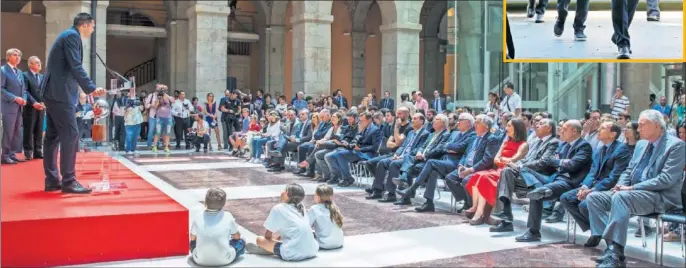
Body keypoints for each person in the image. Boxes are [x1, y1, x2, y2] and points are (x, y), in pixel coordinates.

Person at [587, 110, 685, 267]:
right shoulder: (641, 145)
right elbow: (628, 171)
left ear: (657, 125)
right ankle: (613, 249)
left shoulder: (676, 146)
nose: (638, 129)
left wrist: (631, 187)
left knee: (621, 198)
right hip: (633, 194)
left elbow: (666, 179)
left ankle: (615, 255)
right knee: (594, 197)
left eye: (642, 125)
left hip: (660, 197)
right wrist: (620, 186)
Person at [42, 13, 107, 193]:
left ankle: (52, 180)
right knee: (71, 135)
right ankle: (69, 181)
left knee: (53, 136)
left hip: (53, 92)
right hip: (60, 93)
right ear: (85, 25)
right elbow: (75, 65)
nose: (93, 30)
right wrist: (91, 88)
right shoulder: (72, 36)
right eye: (93, 27)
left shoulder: (67, 35)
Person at [559, 121, 631, 248]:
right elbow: (592, 172)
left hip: (608, 188)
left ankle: (605, 237)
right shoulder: (599, 149)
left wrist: (592, 190)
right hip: (593, 187)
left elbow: (614, 177)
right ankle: (597, 230)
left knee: (584, 205)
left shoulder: (622, 150)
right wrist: (584, 187)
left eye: (603, 128)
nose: (598, 129)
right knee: (566, 198)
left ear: (613, 134)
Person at [464, 118, 529, 225]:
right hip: (499, 168)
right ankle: (475, 207)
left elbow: (513, 160)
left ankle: (479, 213)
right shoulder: (506, 141)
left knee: (485, 177)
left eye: (509, 126)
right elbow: (496, 158)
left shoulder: (523, 144)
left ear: (516, 128)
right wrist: (503, 160)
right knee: (477, 175)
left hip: (508, 172)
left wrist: (503, 160)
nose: (506, 128)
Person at [248, 183, 319, 261]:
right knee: (280, 235)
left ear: (286, 194)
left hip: (293, 253)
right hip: (313, 250)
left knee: (259, 239)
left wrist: (269, 243)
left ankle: (269, 250)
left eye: (284, 190)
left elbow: (268, 236)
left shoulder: (278, 208)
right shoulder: (301, 206)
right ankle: (273, 248)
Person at [190, 188, 245, 266]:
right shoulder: (227, 216)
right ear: (224, 203)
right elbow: (237, 237)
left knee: (193, 243)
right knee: (241, 242)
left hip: (199, 260)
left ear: (205, 202)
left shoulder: (198, 216)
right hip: (224, 260)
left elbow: (192, 239)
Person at [2, 48, 32, 164]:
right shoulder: (3, 70)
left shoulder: (19, 72)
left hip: (19, 107)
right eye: (15, 55)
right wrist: (15, 98)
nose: (18, 57)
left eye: (19, 55)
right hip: (8, 106)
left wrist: (24, 99)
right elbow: (1, 89)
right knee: (8, 132)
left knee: (16, 132)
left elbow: (23, 89)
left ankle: (12, 154)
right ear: (8, 56)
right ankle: (4, 155)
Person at [22, 56, 46, 160]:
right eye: (37, 62)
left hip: (41, 107)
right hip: (30, 107)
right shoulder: (25, 75)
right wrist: (34, 102)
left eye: (39, 62)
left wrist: (44, 102)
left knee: (39, 129)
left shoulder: (42, 77)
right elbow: (25, 91)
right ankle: (28, 152)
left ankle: (38, 151)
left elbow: (45, 91)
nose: (39, 64)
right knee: (29, 129)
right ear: (30, 64)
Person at [308, 184, 344, 249]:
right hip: (340, 242)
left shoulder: (314, 209)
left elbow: (306, 226)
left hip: (325, 244)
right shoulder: (335, 207)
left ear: (318, 197)